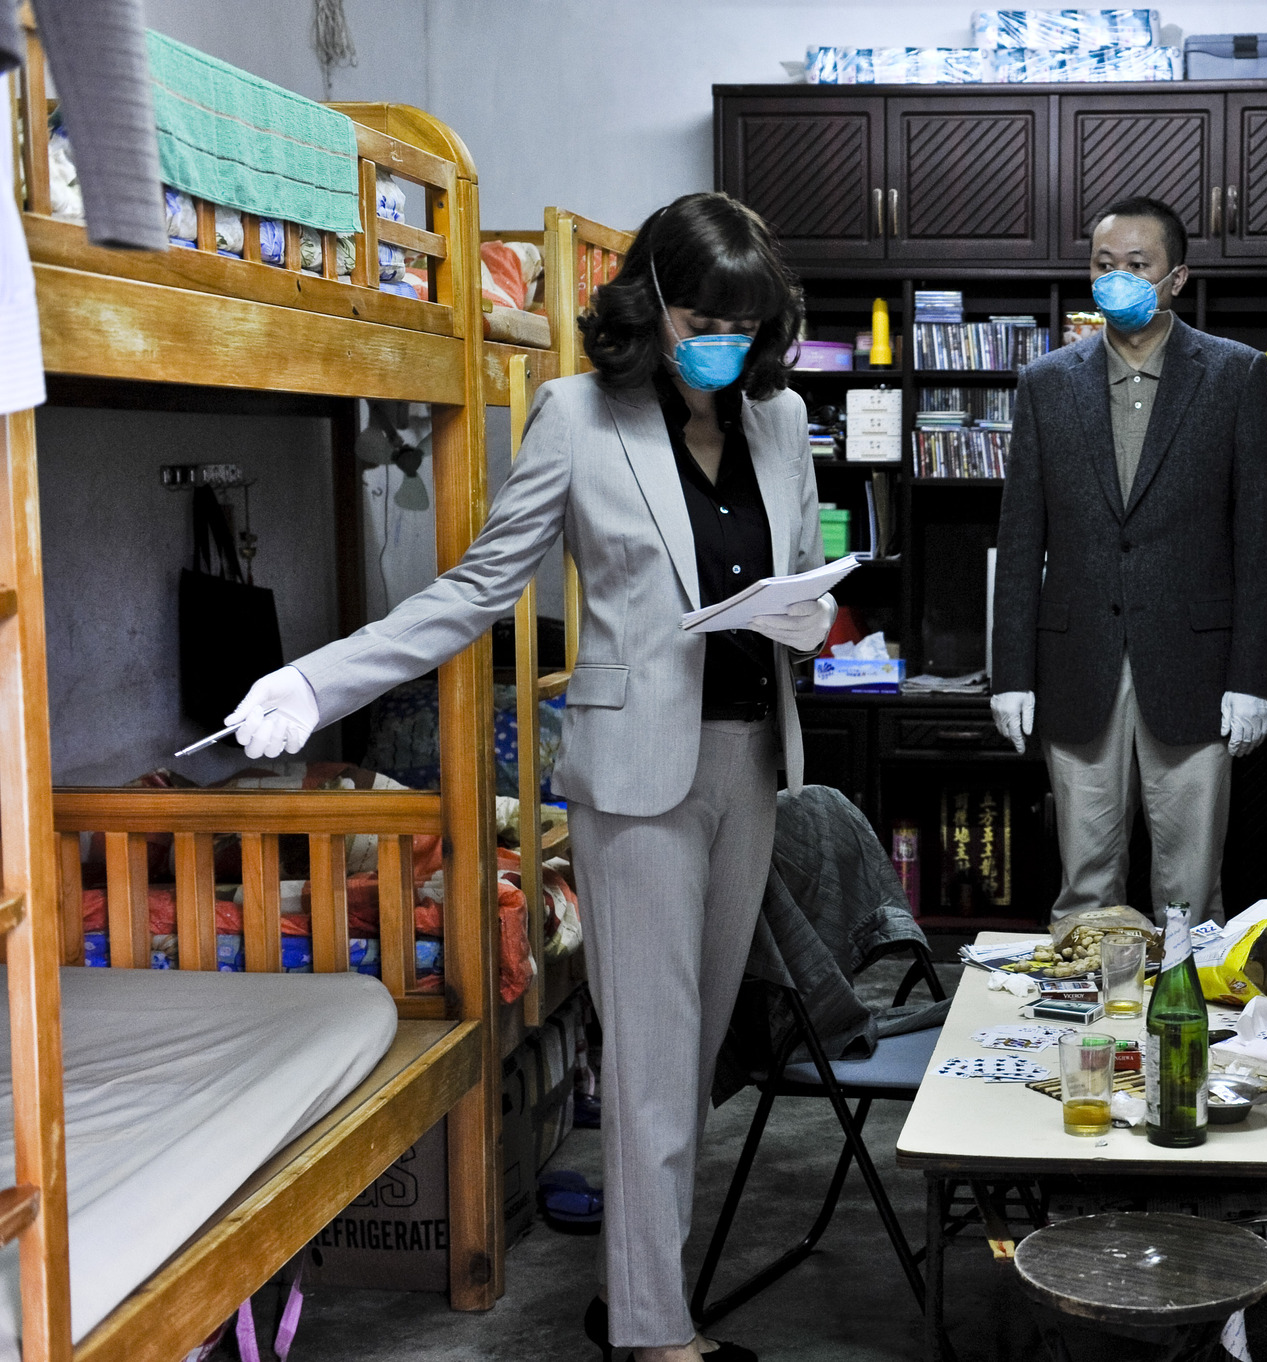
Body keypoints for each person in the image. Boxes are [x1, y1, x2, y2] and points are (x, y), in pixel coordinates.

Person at [224, 193, 832, 1362]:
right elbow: (476, 587)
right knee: (649, 1058)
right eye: (703, 320)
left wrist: (805, 618)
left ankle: (644, 1294)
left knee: (694, 1052)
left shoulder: (781, 417)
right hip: (636, 777)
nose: (725, 343)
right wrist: (317, 681)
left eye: (746, 326)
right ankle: (656, 1336)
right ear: (652, 302)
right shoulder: (577, 416)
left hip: (749, 758)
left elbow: (797, 571)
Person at [991, 196, 1267, 924]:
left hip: (1196, 667)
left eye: (1138, 265)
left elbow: (1256, 542)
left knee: (1190, 893)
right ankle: (1087, 1003)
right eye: (1104, 264)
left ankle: (1185, 1002)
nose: (1117, 278)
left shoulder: (1235, 374)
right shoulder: (1046, 381)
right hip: (1076, 664)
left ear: (1176, 278)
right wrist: (1011, 674)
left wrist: (1253, 679)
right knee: (1085, 887)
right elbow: (1021, 539)